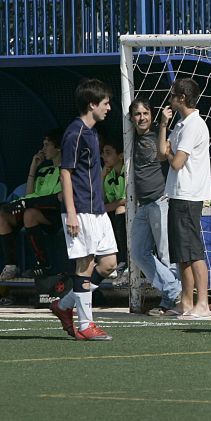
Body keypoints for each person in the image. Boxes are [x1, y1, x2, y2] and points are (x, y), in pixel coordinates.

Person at [50, 79, 117, 341]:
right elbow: (65, 173)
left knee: (109, 263)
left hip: (97, 210)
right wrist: (72, 212)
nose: (109, 107)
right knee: (85, 265)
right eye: (105, 103)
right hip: (80, 209)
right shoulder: (74, 133)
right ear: (92, 104)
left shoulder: (92, 133)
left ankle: (63, 305)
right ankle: (86, 324)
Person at [159, 78, 211, 319]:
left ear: (181, 98)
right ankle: (186, 301)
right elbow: (163, 154)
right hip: (177, 194)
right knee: (181, 252)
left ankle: (203, 303)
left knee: (193, 251)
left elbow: (177, 162)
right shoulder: (180, 124)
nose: (169, 98)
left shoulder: (194, 125)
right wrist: (163, 125)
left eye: (172, 95)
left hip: (189, 195)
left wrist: (170, 152)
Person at [128, 98, 181, 315]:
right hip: (143, 204)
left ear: (151, 115)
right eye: (138, 114)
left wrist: (163, 125)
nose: (142, 118)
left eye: (145, 114)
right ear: (131, 118)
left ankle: (170, 301)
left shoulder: (157, 136)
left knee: (166, 255)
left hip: (160, 201)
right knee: (139, 252)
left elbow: (162, 154)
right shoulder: (130, 138)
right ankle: (173, 289)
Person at [0, 129, 64, 280]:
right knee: (2, 215)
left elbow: (58, 199)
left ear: (58, 148)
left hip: (54, 215)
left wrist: (26, 202)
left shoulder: (67, 170)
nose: (43, 149)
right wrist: (33, 168)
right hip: (32, 207)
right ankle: (11, 266)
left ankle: (43, 264)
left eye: (47, 145)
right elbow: (29, 195)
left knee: (30, 214)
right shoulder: (44, 170)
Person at [101, 139, 128, 278]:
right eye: (103, 153)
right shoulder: (109, 175)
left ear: (121, 156)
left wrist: (103, 208)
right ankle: (106, 262)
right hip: (115, 213)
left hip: (136, 212)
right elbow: (104, 199)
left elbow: (127, 199)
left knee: (119, 210)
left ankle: (125, 261)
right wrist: (101, 176)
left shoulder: (128, 171)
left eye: (108, 153)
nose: (103, 156)